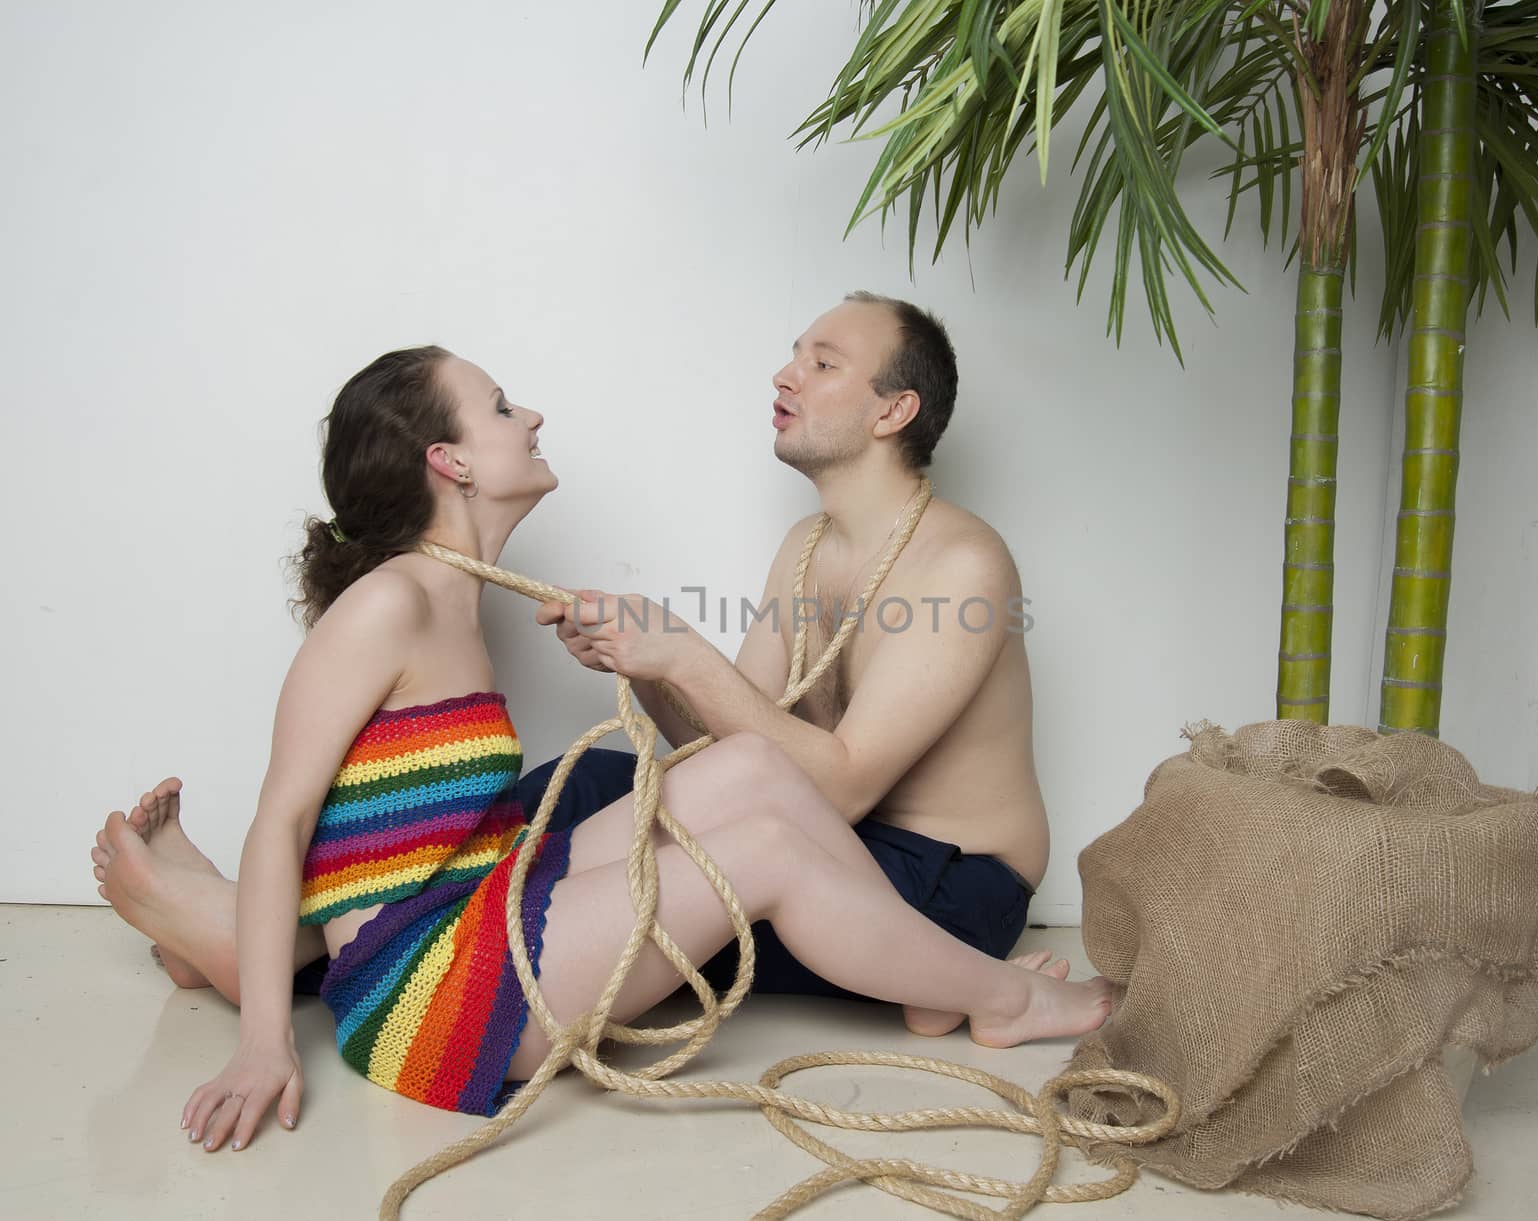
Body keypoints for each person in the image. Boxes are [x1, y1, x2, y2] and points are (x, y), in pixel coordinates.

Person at [90, 344, 1112, 1154]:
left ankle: (933, 980)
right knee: (761, 851)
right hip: (431, 995)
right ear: (448, 462)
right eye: (498, 407)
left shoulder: (455, 600)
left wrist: (653, 662)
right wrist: (265, 1046)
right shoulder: (389, 604)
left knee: (749, 772)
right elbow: (285, 820)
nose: (528, 415)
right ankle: (1010, 999)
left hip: (475, 915)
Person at [538, 292, 1053, 1035]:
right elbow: (724, 753)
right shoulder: (807, 546)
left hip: (946, 884)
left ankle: (950, 972)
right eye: (795, 355)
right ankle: (399, 927)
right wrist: (648, 665)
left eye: (822, 363)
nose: (786, 375)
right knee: (586, 782)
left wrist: (687, 652)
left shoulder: (962, 563)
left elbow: (841, 787)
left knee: (618, 900)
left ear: (892, 412)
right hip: (830, 838)